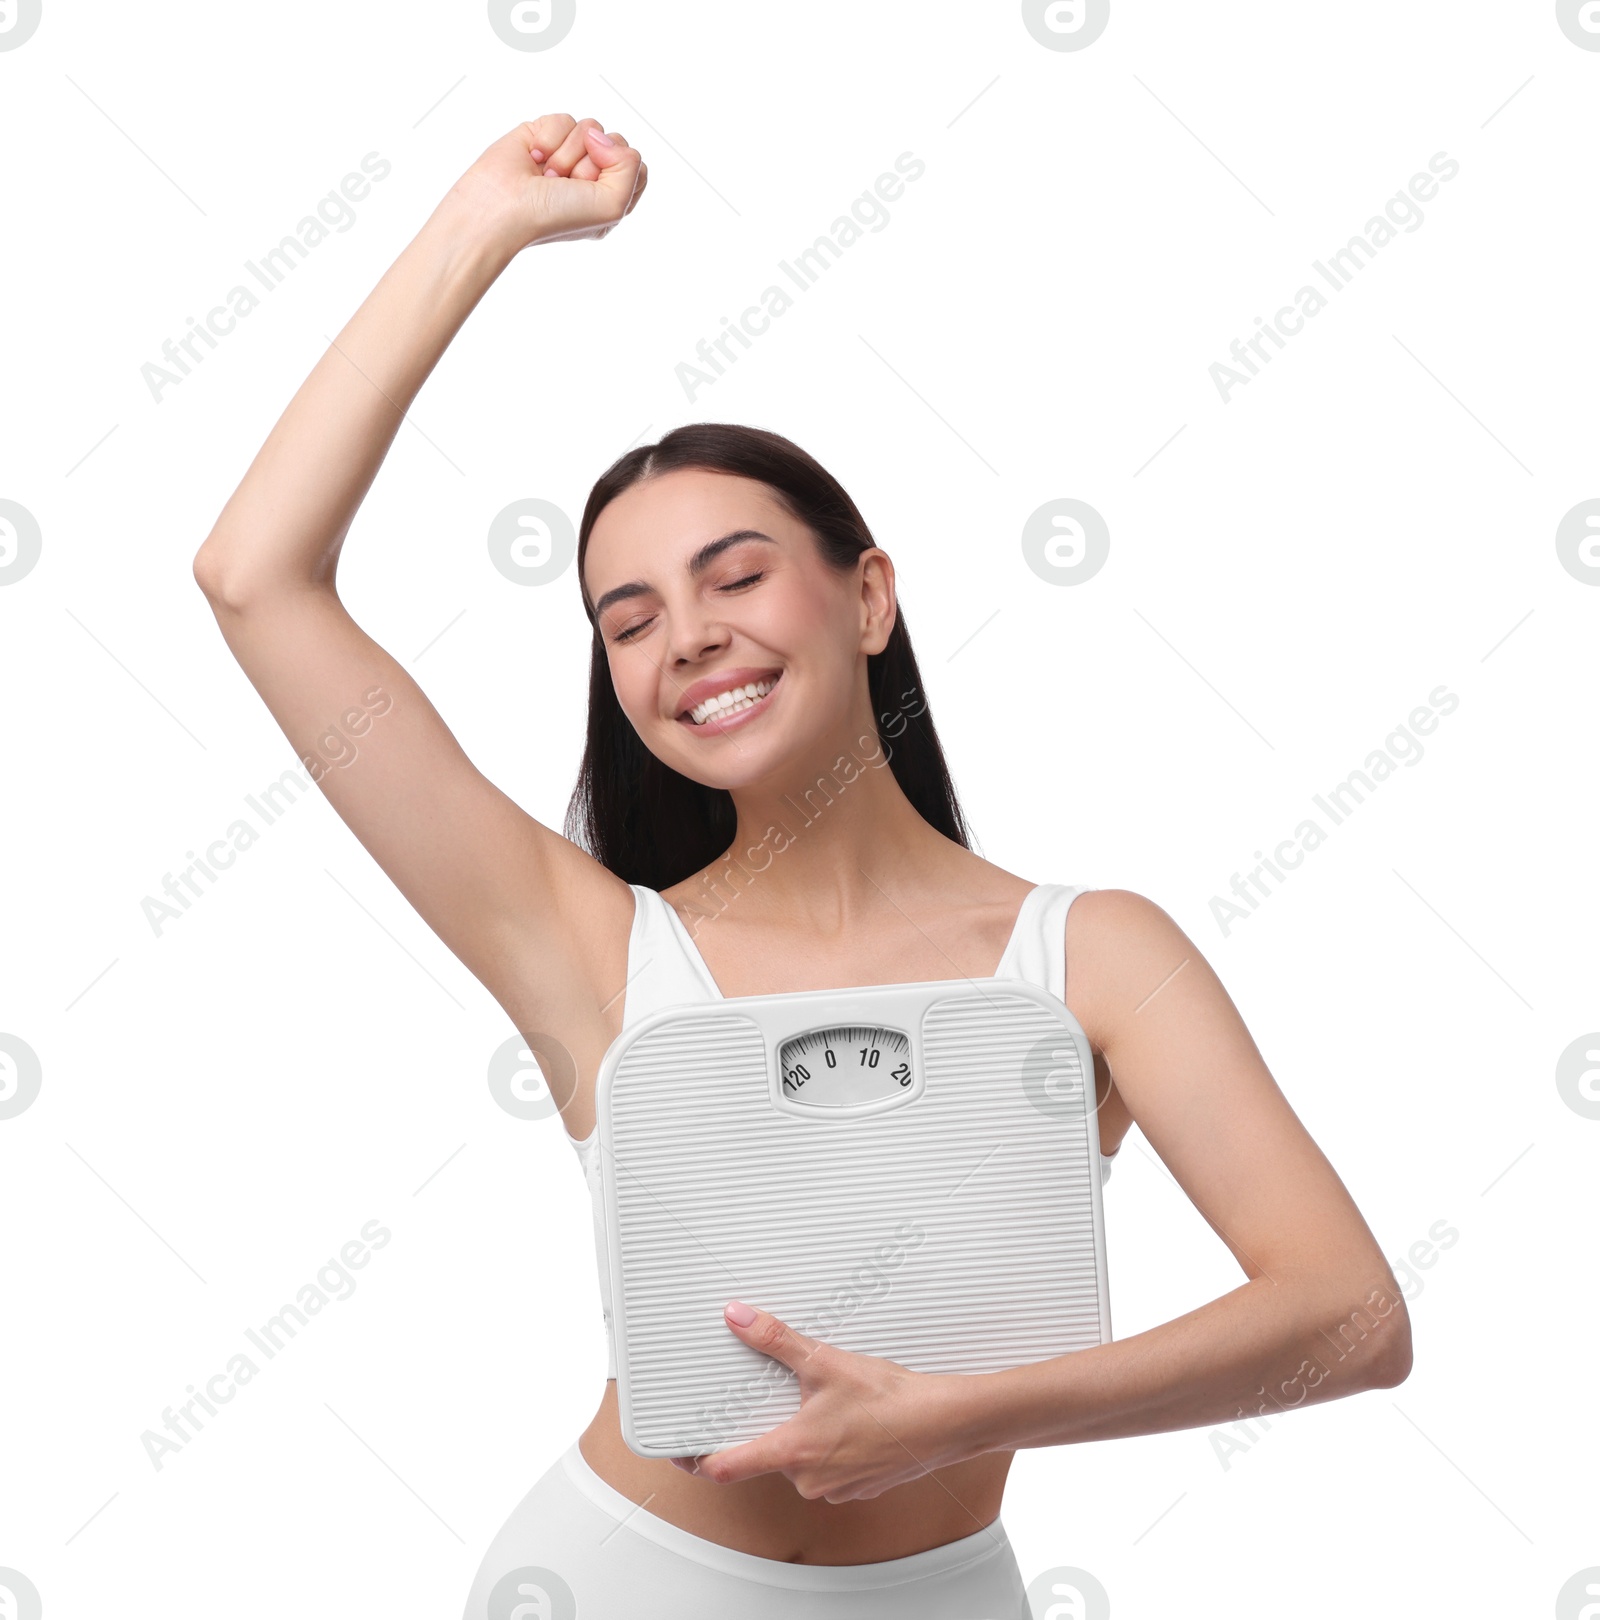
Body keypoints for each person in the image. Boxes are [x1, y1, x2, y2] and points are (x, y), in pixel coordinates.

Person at [193, 113, 1414, 1619]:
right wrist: (482, 227)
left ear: (869, 596)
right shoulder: (593, 949)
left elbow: (1350, 1318)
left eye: (737, 574)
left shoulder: (1088, 956)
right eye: (627, 619)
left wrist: (961, 1417)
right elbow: (254, 579)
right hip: (622, 1583)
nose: (687, 636)